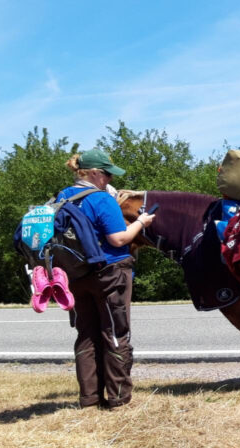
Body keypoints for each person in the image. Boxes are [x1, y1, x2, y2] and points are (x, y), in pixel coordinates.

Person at [59, 150, 155, 409]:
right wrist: (141, 223)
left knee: (87, 335)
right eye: (107, 173)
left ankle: (89, 400)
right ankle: (118, 399)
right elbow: (119, 239)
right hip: (110, 273)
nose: (110, 178)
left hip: (76, 274)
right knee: (114, 334)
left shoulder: (63, 197)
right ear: (93, 173)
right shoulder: (101, 199)